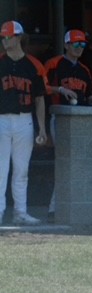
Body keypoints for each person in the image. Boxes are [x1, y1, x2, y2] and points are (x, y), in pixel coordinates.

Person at [43, 29, 92, 221]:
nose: (79, 48)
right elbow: (40, 86)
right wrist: (60, 89)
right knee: (64, 163)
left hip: (79, 121)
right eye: (76, 44)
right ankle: (54, 209)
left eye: (83, 45)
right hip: (59, 117)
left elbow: (90, 94)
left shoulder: (84, 70)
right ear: (67, 45)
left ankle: (70, 208)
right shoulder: (54, 64)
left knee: (78, 165)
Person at [0, 21, 47, 226]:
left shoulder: (34, 65)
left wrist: (42, 128)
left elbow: (39, 98)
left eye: (8, 37)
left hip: (25, 121)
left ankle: (20, 211)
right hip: (1, 119)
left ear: (19, 37)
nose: (4, 40)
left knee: (21, 169)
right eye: (3, 37)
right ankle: (0, 211)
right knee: (0, 169)